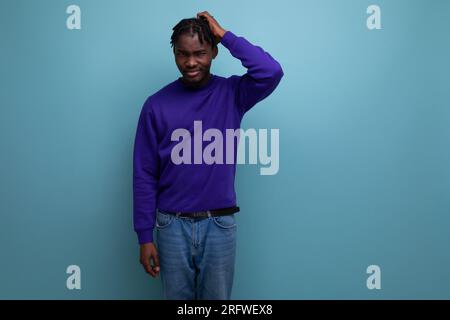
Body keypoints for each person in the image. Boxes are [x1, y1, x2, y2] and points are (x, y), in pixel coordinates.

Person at [133, 11, 284, 300]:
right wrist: (144, 235)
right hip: (171, 225)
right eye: (182, 54)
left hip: (220, 224)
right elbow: (144, 173)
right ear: (175, 54)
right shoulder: (156, 105)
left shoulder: (233, 93)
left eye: (200, 53)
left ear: (213, 51)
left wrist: (226, 36)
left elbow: (271, 71)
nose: (191, 62)